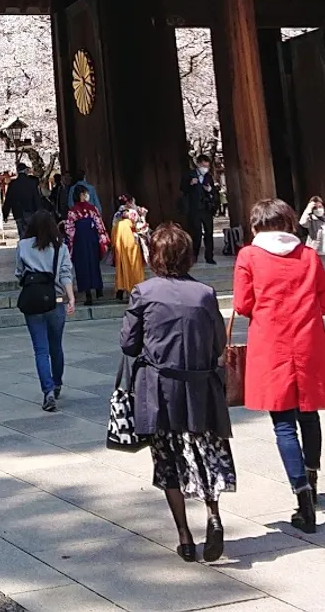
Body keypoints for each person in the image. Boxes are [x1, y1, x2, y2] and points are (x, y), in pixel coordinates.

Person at [122, 223, 235, 563]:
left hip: (159, 388)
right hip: (200, 387)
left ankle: (185, 537)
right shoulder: (205, 293)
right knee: (204, 452)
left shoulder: (143, 292)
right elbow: (219, 343)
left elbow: (128, 344)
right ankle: (212, 513)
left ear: (154, 256)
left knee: (167, 460)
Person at [232, 198, 325, 535]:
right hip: (308, 343)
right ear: (290, 222)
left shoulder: (249, 256)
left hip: (272, 344)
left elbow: (242, 303)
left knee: (283, 425)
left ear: (256, 226)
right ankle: (312, 476)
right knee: (310, 414)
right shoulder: (308, 256)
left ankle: (302, 497)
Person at [16, 208, 76, 410]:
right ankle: (57, 383)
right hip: (56, 299)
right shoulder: (61, 247)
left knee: (40, 350)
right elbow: (66, 274)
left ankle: (47, 391)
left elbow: (19, 273)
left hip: (33, 301)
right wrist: (72, 298)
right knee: (56, 346)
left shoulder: (23, 246)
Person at [66, 185, 109, 306]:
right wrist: (103, 239)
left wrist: (70, 242)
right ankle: (97, 289)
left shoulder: (73, 211)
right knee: (93, 263)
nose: (87, 196)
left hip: (80, 240)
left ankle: (88, 293)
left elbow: (69, 229)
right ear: (81, 195)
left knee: (83, 266)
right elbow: (99, 225)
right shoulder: (92, 209)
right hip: (92, 238)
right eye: (85, 193)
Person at [111, 194, 150, 302]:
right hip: (131, 241)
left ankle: (121, 288)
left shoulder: (117, 215)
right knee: (134, 265)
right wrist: (143, 216)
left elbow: (113, 228)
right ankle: (135, 289)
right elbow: (140, 228)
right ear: (128, 203)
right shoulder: (132, 213)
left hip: (120, 241)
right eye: (133, 202)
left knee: (122, 266)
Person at [181, 159, 218, 265]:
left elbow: (214, 191)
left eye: (207, 166)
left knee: (209, 233)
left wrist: (210, 190)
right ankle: (194, 256)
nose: (205, 168)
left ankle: (209, 257)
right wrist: (190, 184)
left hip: (206, 209)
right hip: (194, 209)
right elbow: (182, 188)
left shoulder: (208, 176)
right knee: (196, 233)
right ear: (198, 164)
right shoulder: (189, 175)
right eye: (203, 166)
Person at [2, 161, 44, 238]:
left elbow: (8, 200)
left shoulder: (13, 184)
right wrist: (40, 211)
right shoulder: (32, 183)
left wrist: (5, 214)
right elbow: (36, 198)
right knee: (32, 233)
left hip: (18, 212)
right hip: (31, 211)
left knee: (22, 234)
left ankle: (24, 247)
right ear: (25, 171)